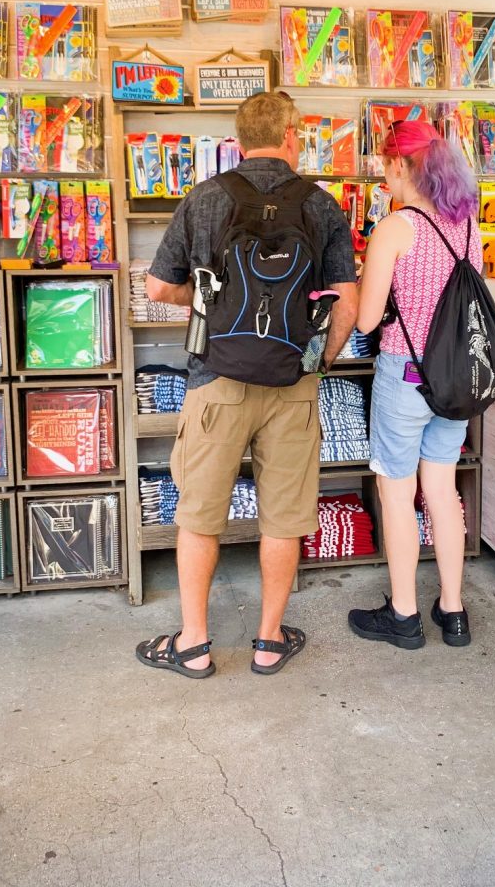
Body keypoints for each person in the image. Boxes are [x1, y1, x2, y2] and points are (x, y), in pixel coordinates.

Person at [136, 92, 359, 678]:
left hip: (217, 379)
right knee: (283, 517)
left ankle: (194, 644)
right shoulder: (322, 205)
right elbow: (347, 303)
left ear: (236, 140)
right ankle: (267, 642)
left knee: (199, 515)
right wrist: (317, 364)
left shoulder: (206, 197)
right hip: (293, 383)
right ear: (293, 135)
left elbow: (158, 289)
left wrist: (203, 300)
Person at [348, 120, 481, 650]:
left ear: (402, 166)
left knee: (398, 495)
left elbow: (366, 320)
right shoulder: (465, 223)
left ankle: (403, 615)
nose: (383, 177)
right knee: (443, 493)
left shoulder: (394, 229)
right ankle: (453, 611)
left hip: (405, 377)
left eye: (384, 166)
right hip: (453, 381)